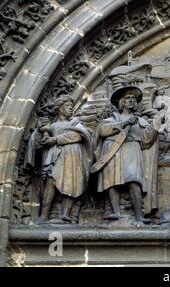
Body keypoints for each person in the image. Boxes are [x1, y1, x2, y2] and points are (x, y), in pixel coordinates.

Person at [93, 86, 158, 224]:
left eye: (133, 99)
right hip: (112, 149)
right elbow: (103, 131)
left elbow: (146, 140)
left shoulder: (141, 121)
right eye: (127, 98)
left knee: (134, 180)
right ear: (121, 102)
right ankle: (116, 211)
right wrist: (124, 123)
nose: (131, 101)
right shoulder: (112, 119)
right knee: (112, 181)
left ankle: (139, 215)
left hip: (132, 148)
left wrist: (156, 125)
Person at [25, 95, 93, 223]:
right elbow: (39, 145)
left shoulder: (76, 124)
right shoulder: (52, 126)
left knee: (71, 185)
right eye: (68, 106)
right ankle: (44, 215)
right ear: (60, 109)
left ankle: (65, 216)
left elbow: (81, 135)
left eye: (72, 107)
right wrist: (40, 132)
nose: (71, 109)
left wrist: (55, 139)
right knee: (50, 182)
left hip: (73, 158)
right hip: (55, 157)